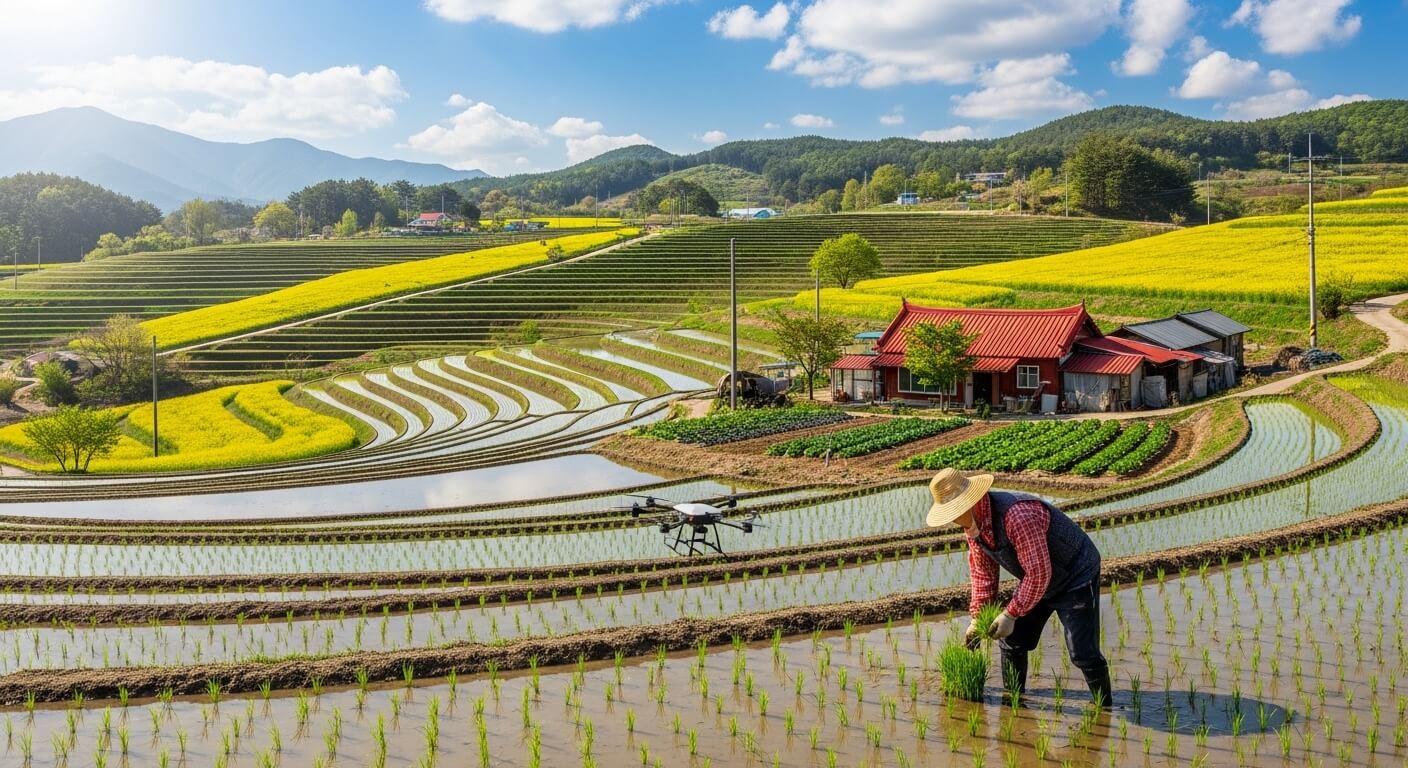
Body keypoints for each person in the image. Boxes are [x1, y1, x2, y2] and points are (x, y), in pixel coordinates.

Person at [924, 467, 1112, 707]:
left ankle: (1105, 707)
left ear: (968, 504)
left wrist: (1011, 613)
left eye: (953, 513)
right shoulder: (974, 527)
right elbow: (984, 575)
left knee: (1082, 652)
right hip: (1036, 580)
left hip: (1075, 575)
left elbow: (1039, 573)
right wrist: (977, 618)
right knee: (1012, 642)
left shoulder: (1017, 516)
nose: (952, 519)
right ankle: (1013, 702)